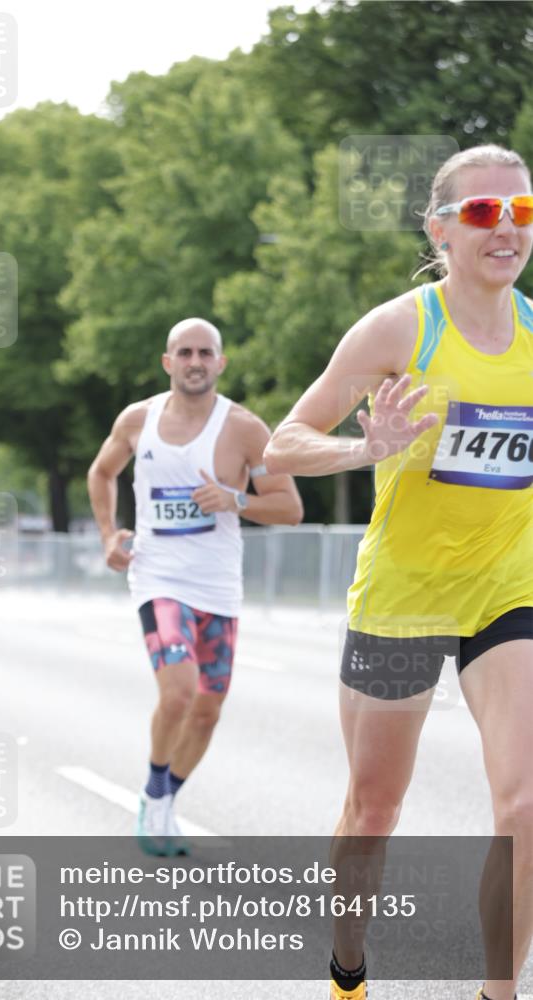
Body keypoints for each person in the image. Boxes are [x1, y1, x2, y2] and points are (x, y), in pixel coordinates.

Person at [264, 145, 533, 1000]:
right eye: (484, 213)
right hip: (402, 598)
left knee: (524, 811)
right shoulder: (397, 329)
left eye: (521, 212)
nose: (506, 229)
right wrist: (364, 446)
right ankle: (348, 967)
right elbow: (281, 443)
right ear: (441, 228)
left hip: (506, 590)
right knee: (373, 812)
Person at [88, 317, 302, 854]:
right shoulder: (139, 420)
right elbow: (100, 473)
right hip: (157, 576)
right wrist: (109, 534)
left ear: (220, 363)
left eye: (205, 352)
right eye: (184, 352)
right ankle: (157, 786)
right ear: (168, 362)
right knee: (179, 692)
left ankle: (161, 799)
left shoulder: (246, 429)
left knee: (207, 709)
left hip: (218, 586)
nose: (195, 361)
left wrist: (239, 500)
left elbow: (291, 507)